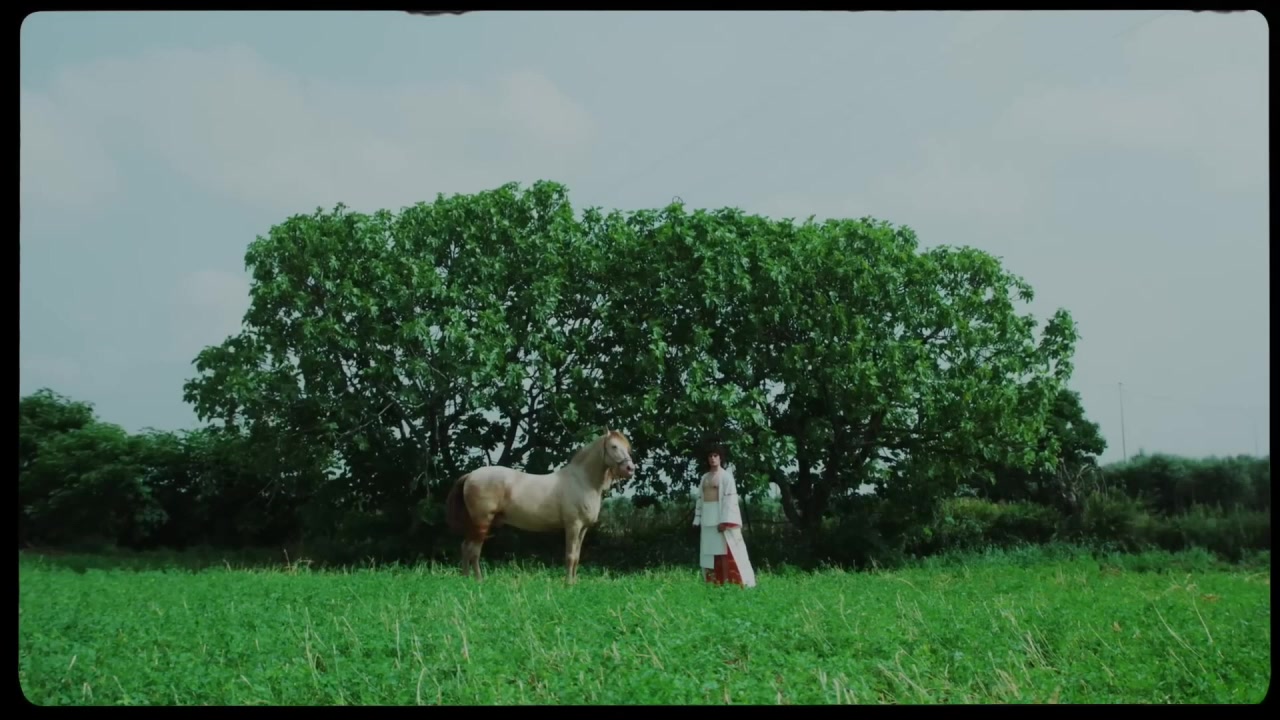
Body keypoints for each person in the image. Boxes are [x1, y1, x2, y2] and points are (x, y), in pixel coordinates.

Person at [692, 443, 757, 588]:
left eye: (715, 455)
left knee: (727, 554)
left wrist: (725, 522)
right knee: (710, 555)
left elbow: (730, 501)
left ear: (720, 458)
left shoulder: (726, 477)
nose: (712, 458)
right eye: (710, 456)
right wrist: (697, 519)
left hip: (721, 521)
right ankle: (713, 584)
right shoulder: (704, 478)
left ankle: (732, 583)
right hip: (707, 522)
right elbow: (700, 499)